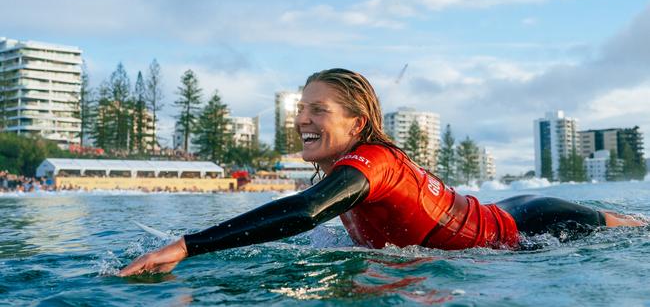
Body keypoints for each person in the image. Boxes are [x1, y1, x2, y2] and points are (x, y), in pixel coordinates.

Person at [119, 68, 644, 276]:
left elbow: (302, 213)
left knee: (640, 232)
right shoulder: (345, 169)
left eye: (318, 110)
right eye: (301, 109)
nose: (302, 118)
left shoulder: (369, 163)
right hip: (497, 215)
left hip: (531, 224)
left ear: (358, 122)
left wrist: (188, 245)